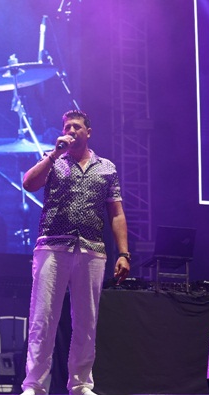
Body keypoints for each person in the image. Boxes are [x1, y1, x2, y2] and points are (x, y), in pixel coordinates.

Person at [20, 110, 131, 395]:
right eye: (67, 127)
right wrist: (53, 155)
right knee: (43, 318)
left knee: (86, 321)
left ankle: (81, 384)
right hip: (52, 246)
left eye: (76, 127)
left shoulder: (106, 167)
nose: (70, 131)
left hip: (91, 250)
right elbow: (29, 183)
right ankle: (34, 385)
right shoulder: (53, 161)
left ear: (88, 132)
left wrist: (124, 253)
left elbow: (116, 213)